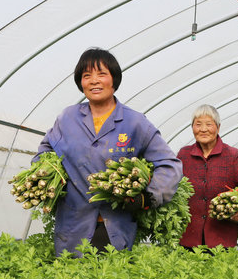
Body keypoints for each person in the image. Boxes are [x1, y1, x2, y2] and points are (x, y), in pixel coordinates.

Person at [33, 48, 182, 257]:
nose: (94, 81)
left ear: (114, 79)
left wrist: (147, 197)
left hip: (114, 226)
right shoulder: (67, 119)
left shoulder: (135, 122)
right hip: (72, 225)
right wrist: (48, 176)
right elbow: (45, 151)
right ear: (80, 83)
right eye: (87, 76)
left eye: (101, 74)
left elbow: (170, 164)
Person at [178, 104, 238, 249]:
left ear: (218, 127)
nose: (203, 129)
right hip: (188, 238)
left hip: (221, 240)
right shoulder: (184, 155)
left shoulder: (232, 156)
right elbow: (171, 184)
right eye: (198, 124)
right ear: (192, 128)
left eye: (209, 124)